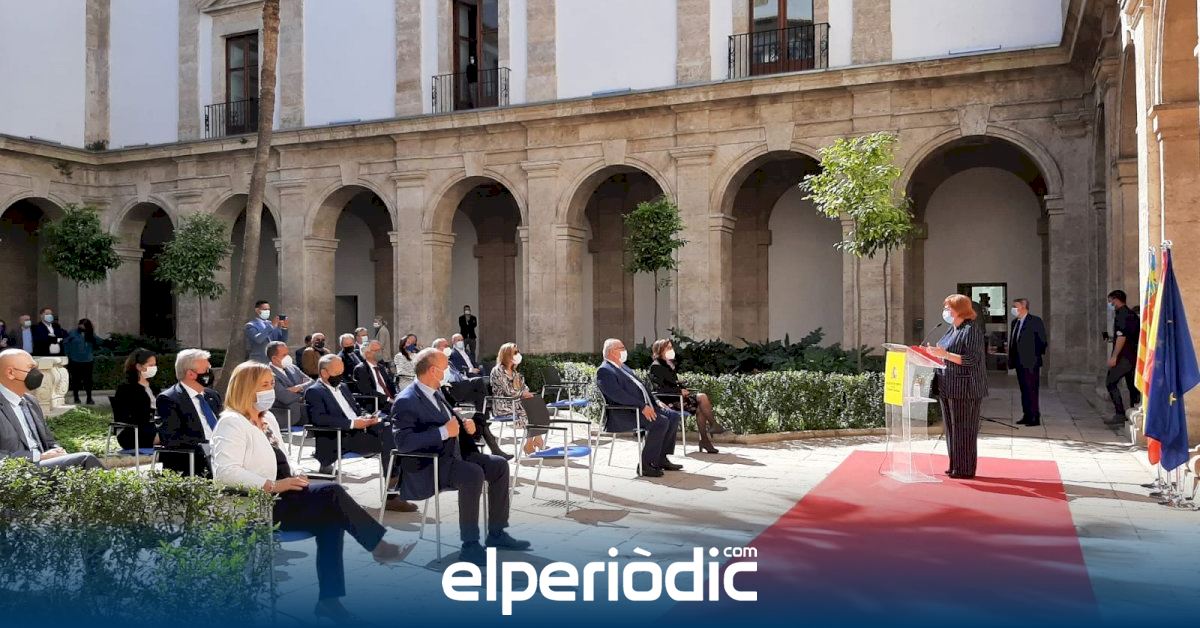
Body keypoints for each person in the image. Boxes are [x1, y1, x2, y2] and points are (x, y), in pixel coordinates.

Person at [211, 361, 411, 621]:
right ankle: (379, 547)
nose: (270, 390)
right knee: (332, 492)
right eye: (264, 385)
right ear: (246, 388)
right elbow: (225, 472)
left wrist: (296, 473)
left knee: (332, 519)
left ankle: (329, 601)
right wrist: (273, 485)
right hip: (257, 503)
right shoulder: (231, 423)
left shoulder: (267, 418)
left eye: (272, 384)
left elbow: (284, 457)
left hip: (286, 495)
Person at [390, 347, 530, 566]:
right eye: (444, 367)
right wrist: (443, 432)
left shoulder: (437, 392)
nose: (447, 370)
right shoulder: (406, 400)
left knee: (499, 465)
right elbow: (403, 443)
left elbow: (451, 424)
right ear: (433, 370)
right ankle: (470, 545)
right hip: (431, 463)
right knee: (472, 474)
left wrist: (468, 425)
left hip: (455, 455)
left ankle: (497, 533)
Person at [0, 349, 102, 468]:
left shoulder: (31, 401)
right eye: (31, 368)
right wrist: (38, 457)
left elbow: (49, 441)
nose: (37, 373)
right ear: (10, 373)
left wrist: (57, 451)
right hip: (16, 470)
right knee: (85, 459)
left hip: (44, 466)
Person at [595, 338, 682, 477]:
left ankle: (661, 458)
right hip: (626, 412)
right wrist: (642, 406)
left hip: (643, 407)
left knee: (673, 416)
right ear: (611, 352)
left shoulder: (623, 367)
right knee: (660, 422)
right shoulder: (604, 371)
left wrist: (656, 401)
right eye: (621, 348)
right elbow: (618, 395)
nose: (625, 351)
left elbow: (642, 387)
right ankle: (646, 465)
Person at [302, 355, 397, 482]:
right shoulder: (314, 392)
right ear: (324, 373)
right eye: (337, 373)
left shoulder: (343, 387)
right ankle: (392, 480)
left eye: (342, 372)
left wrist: (367, 416)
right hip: (342, 436)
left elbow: (356, 408)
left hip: (361, 429)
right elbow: (319, 419)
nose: (340, 376)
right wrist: (352, 423)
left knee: (392, 426)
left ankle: (394, 477)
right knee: (388, 438)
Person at [926, 294, 988, 479]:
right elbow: (944, 353)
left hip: (965, 388)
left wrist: (944, 354)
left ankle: (965, 469)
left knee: (964, 429)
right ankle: (955, 465)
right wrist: (932, 353)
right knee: (952, 429)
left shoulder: (971, 330)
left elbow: (971, 359)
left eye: (948, 308)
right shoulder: (952, 329)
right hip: (948, 385)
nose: (945, 311)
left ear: (960, 310)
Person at [432, 337, 508, 459]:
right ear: (436, 348)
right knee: (478, 382)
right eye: (444, 346)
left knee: (482, 393)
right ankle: (489, 412)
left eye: (447, 345)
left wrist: (466, 378)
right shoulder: (436, 362)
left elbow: (458, 374)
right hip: (451, 389)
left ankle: (494, 447)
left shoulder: (448, 361)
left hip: (460, 385)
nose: (447, 348)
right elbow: (443, 380)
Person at [648, 339, 725, 454]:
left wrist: (682, 387)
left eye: (671, 347)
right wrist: (679, 390)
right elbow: (659, 389)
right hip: (668, 400)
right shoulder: (656, 366)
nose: (671, 350)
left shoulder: (668, 364)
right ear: (660, 350)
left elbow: (672, 383)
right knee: (701, 399)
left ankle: (707, 438)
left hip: (678, 398)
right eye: (668, 348)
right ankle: (711, 430)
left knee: (701, 405)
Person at [156, 349, 223, 477]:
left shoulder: (212, 396)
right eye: (206, 370)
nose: (210, 373)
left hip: (221, 455)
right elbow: (172, 438)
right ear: (191, 374)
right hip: (193, 461)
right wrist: (209, 445)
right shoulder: (169, 399)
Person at [489, 342, 546, 455]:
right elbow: (508, 391)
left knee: (537, 405)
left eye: (518, 352)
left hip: (516, 402)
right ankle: (536, 439)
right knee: (529, 409)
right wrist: (523, 393)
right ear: (507, 354)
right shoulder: (498, 370)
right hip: (503, 403)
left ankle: (531, 442)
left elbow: (525, 387)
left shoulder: (515, 372)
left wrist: (525, 393)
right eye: (515, 352)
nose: (518, 354)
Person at [1008, 298, 1047, 426]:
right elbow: (1014, 341)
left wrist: (1033, 355)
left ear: (1024, 306)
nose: (1013, 309)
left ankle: (1034, 417)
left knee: (1032, 390)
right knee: (1024, 390)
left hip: (1031, 362)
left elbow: (1042, 341)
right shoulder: (1015, 322)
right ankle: (1027, 414)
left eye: (1016, 306)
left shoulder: (1035, 321)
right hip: (1019, 362)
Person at [1105, 289, 1141, 424]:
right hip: (1133, 356)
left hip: (1124, 357)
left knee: (1110, 382)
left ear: (1116, 299)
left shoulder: (1122, 314)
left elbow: (1122, 337)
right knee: (1132, 386)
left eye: (1111, 301)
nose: (1110, 304)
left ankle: (1120, 413)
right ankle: (1134, 412)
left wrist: (1114, 356)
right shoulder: (1131, 314)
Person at [113, 349, 160, 451]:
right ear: (138, 366)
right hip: (133, 432)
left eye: (155, 365)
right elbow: (126, 416)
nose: (154, 368)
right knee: (172, 435)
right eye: (150, 365)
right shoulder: (126, 388)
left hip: (153, 427)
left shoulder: (154, 387)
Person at [268, 340, 312, 427]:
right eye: (284, 355)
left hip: (305, 412)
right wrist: (303, 395)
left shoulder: (293, 368)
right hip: (288, 416)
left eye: (287, 354)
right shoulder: (268, 373)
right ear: (274, 358)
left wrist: (299, 388)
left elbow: (312, 382)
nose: (288, 357)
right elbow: (285, 397)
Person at [64, 318, 102, 405]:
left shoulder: (90, 334)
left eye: (83, 326)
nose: (81, 327)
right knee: (76, 380)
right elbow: (66, 343)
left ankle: (89, 398)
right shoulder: (72, 333)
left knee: (88, 381)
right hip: (75, 360)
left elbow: (98, 342)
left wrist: (109, 342)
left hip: (88, 360)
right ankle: (76, 397)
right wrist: (68, 354)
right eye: (80, 325)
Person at [354, 340, 397, 412]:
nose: (380, 352)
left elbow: (390, 384)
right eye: (376, 350)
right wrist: (388, 399)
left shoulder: (381, 367)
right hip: (376, 404)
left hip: (391, 402)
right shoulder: (361, 369)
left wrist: (396, 396)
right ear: (367, 353)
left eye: (380, 350)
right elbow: (368, 391)